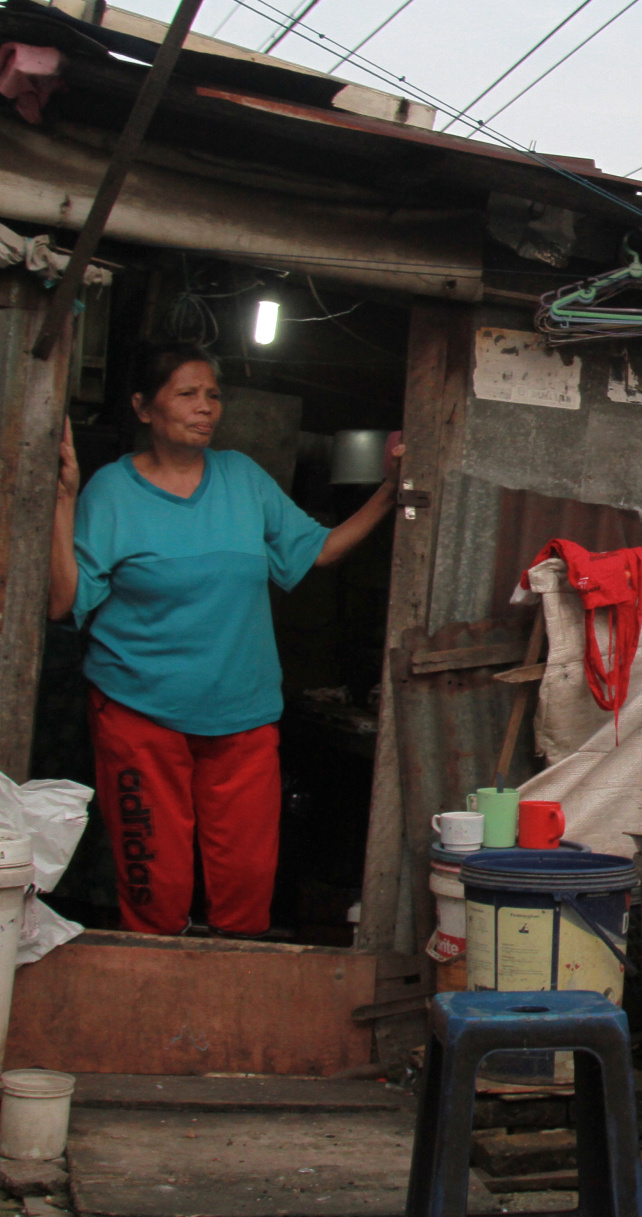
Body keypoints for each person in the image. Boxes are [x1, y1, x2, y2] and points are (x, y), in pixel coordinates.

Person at [47, 345, 401, 937]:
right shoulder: (111, 492)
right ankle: (154, 991)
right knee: (153, 878)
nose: (206, 408)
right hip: (139, 711)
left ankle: (233, 1002)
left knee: (247, 878)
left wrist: (391, 490)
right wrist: (63, 499)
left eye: (213, 395)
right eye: (187, 394)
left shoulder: (241, 477)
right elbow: (63, 601)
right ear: (143, 407)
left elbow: (321, 550)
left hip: (243, 714)